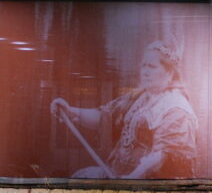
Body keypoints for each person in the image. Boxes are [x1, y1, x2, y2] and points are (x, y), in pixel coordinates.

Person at [50, 40, 197, 179]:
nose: (145, 71)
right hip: (119, 175)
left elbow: (163, 155)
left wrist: (132, 179)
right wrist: (71, 111)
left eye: (151, 66)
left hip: (148, 185)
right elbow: (105, 117)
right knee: (80, 177)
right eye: (143, 65)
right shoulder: (138, 97)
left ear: (169, 73)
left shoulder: (176, 109)